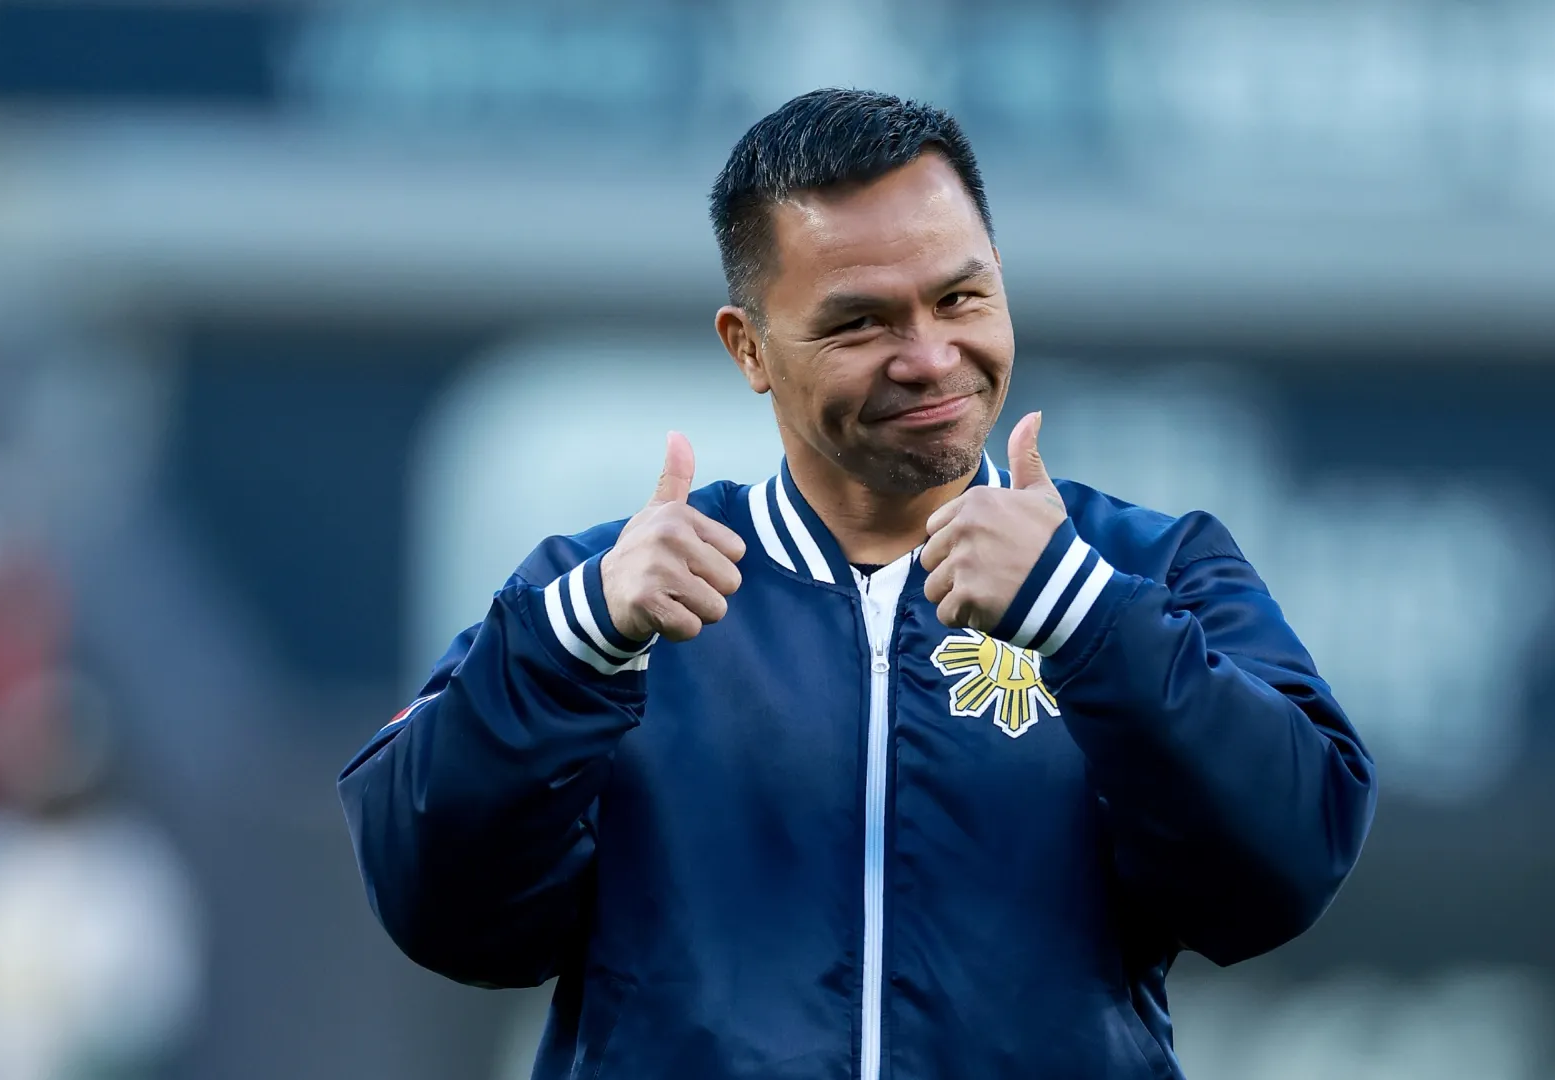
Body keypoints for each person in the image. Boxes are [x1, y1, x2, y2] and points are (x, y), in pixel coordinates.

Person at [339, 88, 1376, 1080]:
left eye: (961, 297)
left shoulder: (1145, 571)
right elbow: (439, 912)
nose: (930, 357)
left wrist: (1083, 616)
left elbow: (1286, 869)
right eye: (861, 323)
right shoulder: (600, 602)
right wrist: (571, 646)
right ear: (749, 347)